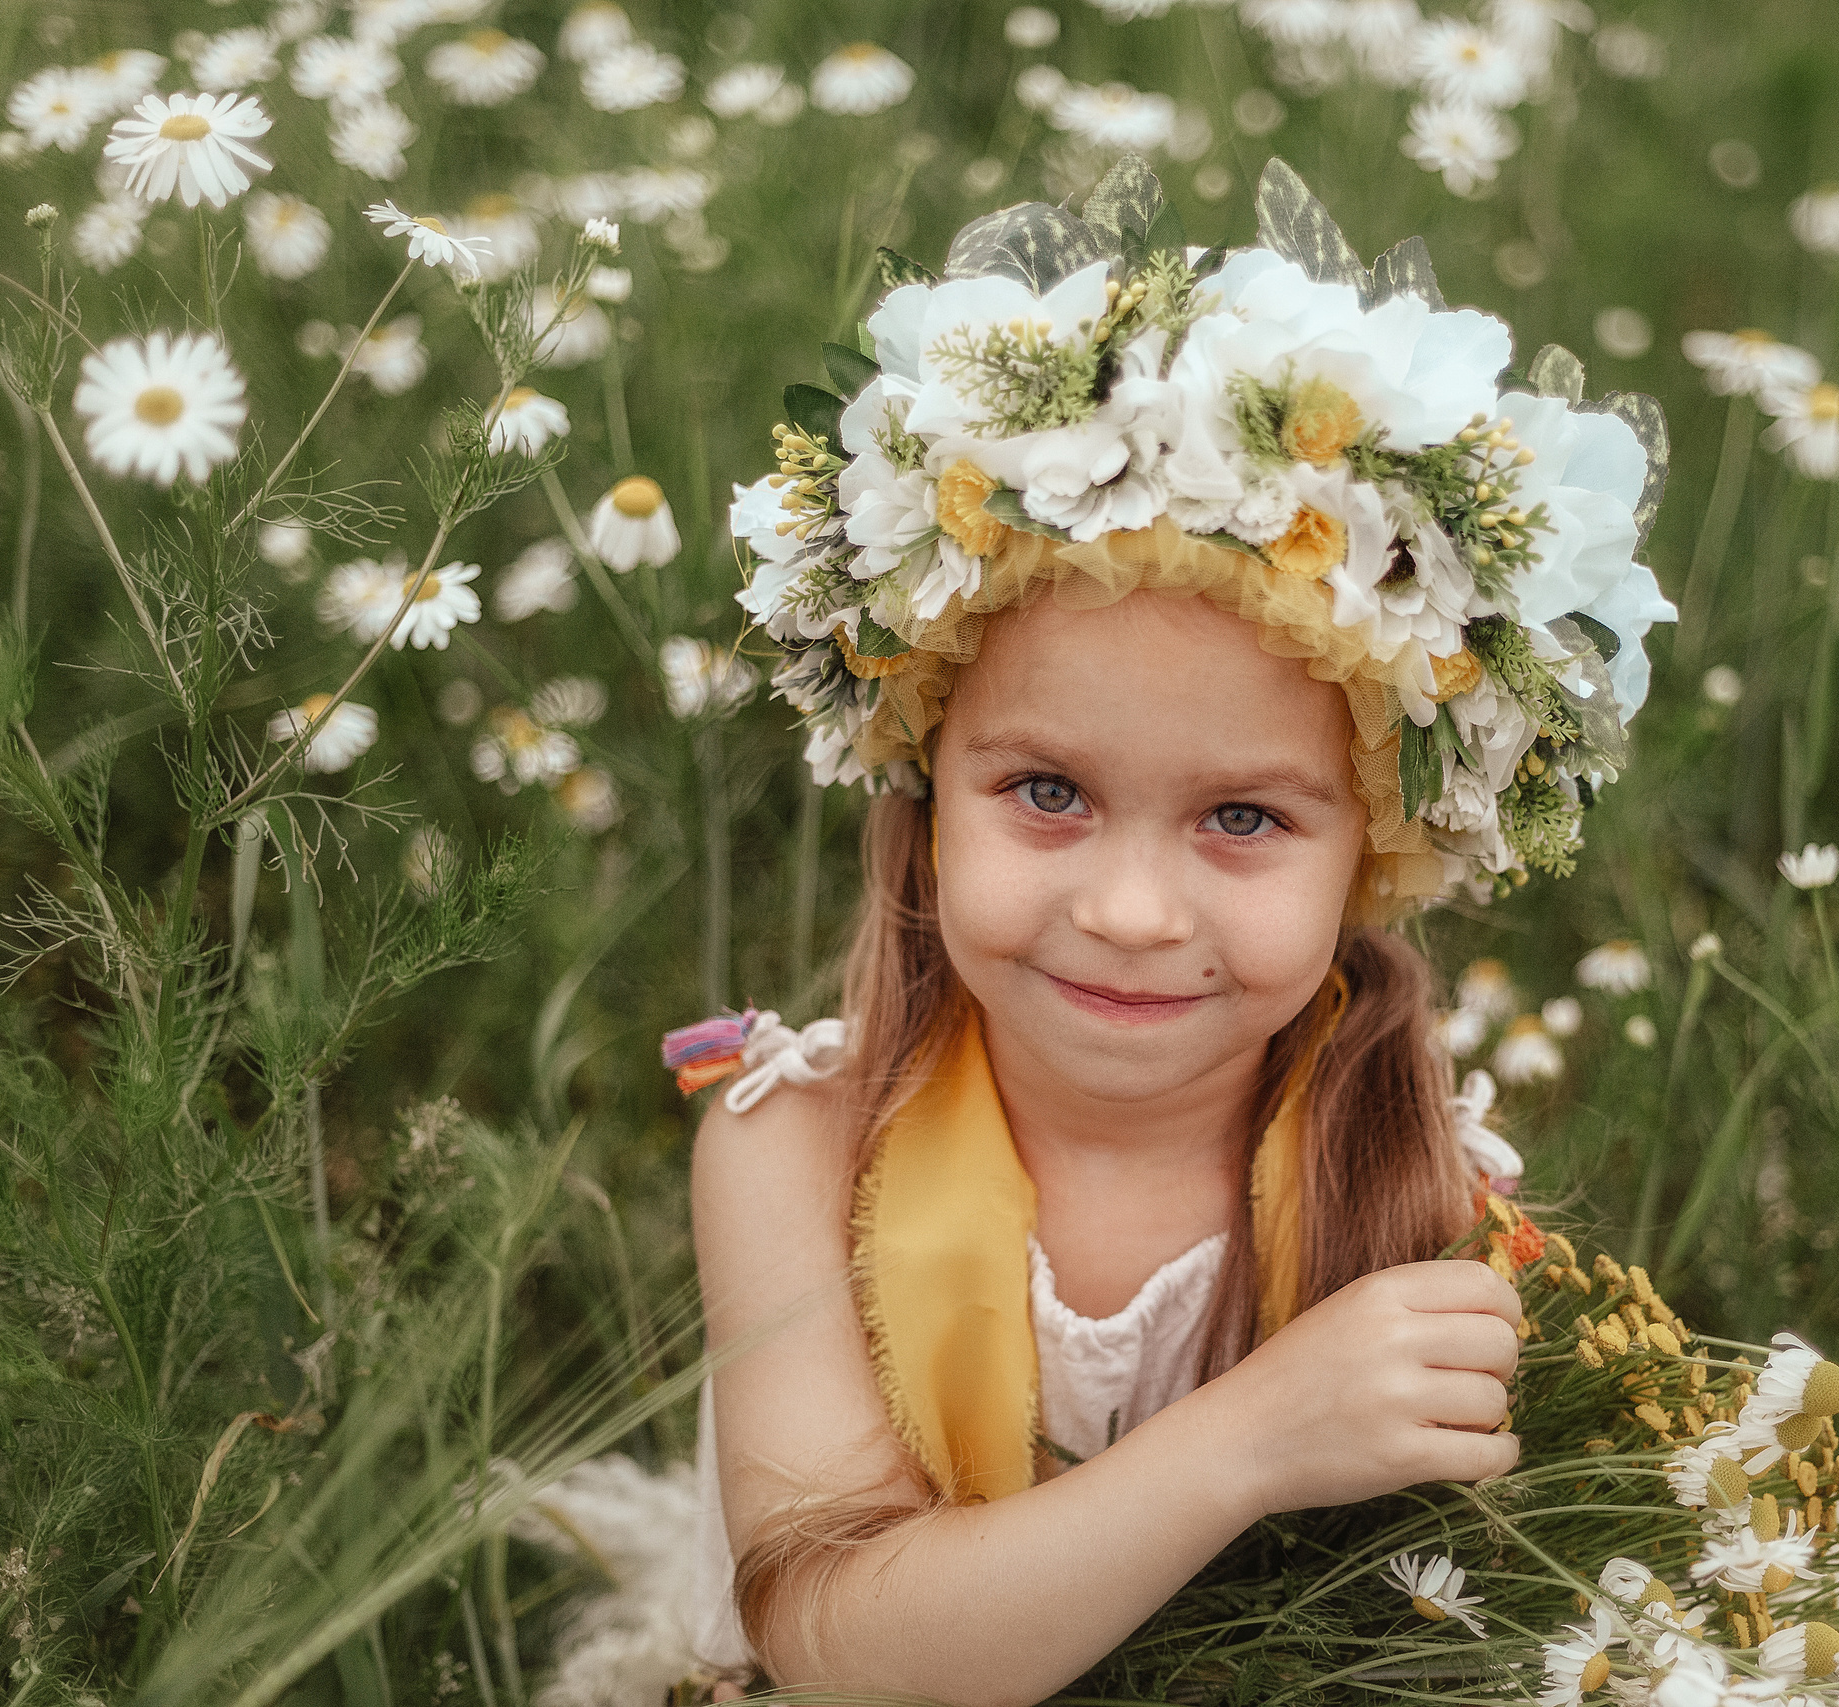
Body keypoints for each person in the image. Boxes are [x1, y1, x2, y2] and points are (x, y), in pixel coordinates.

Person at [673, 160, 1672, 1701]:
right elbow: (836, 1652)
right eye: (1050, 791)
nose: (1132, 913)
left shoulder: (1407, 1166)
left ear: (1378, 857)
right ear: (924, 781)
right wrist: (1257, 1437)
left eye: (1246, 819)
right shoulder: (792, 1145)